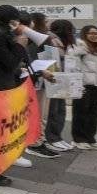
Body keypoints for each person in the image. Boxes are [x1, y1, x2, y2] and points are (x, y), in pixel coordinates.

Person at [0, 5, 37, 185]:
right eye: (15, 20)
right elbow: (10, 62)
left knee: (2, 132)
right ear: (10, 20)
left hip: (3, 86)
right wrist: (19, 45)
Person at [23, 13, 62, 160]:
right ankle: (35, 143)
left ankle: (40, 141)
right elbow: (30, 61)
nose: (48, 24)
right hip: (37, 81)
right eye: (45, 21)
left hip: (43, 80)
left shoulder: (42, 38)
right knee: (39, 115)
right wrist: (42, 71)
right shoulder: (34, 39)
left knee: (42, 115)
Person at [44, 19, 77, 150]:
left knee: (61, 110)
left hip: (61, 79)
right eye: (71, 30)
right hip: (53, 80)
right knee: (53, 111)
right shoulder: (51, 40)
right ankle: (51, 138)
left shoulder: (63, 43)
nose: (73, 33)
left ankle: (57, 137)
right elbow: (48, 61)